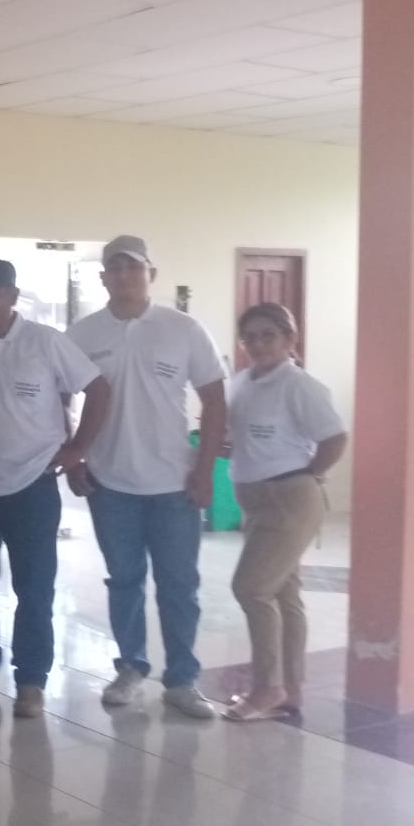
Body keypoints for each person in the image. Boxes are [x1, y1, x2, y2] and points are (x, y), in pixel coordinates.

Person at [0, 260, 109, 719]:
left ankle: (31, 679)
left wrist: (78, 449)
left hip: (32, 483)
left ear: (13, 297)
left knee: (33, 585)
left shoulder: (45, 342)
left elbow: (98, 389)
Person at [65, 235, 228, 719]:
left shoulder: (184, 329)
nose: (124, 276)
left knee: (179, 586)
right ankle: (131, 668)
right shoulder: (83, 334)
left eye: (133, 267)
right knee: (124, 581)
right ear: (103, 278)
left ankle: (182, 680)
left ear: (150, 274)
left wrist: (205, 470)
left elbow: (215, 400)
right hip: (109, 483)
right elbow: (58, 395)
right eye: (115, 268)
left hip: (174, 484)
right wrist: (74, 456)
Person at [222, 303, 346, 722]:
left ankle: (267, 687)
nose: (258, 344)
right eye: (250, 337)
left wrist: (308, 476)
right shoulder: (242, 382)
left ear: (290, 339)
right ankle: (291, 689)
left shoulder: (299, 385)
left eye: (268, 335)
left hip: (289, 500)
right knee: (283, 593)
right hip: (255, 501)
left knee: (251, 588)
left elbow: (335, 438)